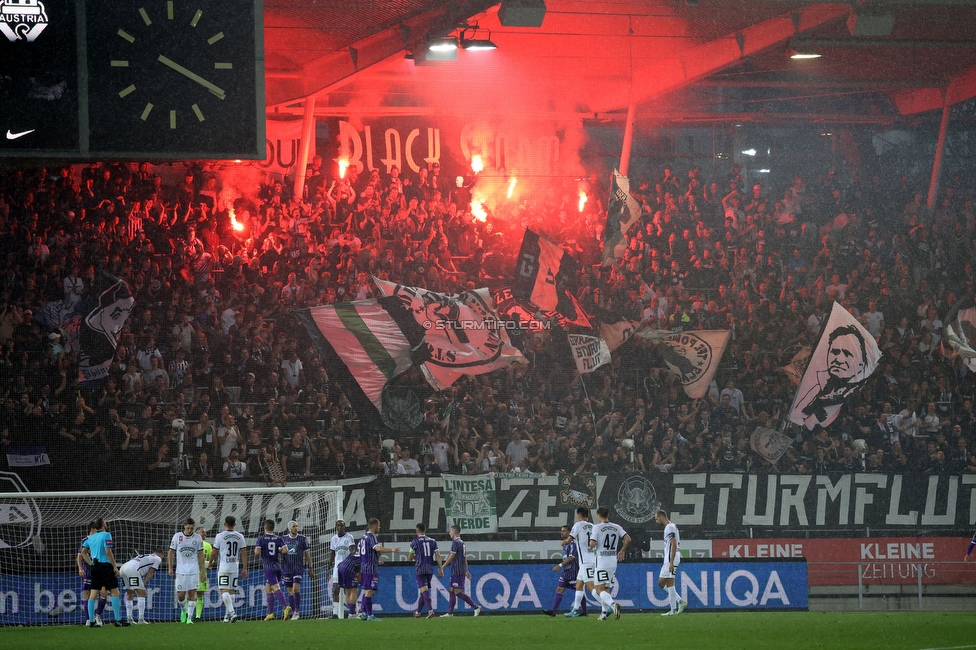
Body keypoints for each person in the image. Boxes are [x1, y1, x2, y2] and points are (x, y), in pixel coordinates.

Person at [793, 325, 870, 429]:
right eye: (835, 352)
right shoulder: (816, 381)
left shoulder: (854, 388)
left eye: (847, 354)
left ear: (860, 363)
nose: (839, 359)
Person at [80, 517, 125, 627]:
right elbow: (108, 551)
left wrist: (91, 564)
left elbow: (83, 553)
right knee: (115, 592)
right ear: (103, 525)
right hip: (105, 566)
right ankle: (118, 620)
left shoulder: (90, 538)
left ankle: (91, 621)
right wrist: (114, 566)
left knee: (93, 593)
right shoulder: (106, 535)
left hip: (95, 567)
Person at [589, 506, 631, 621]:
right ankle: (603, 614)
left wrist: (591, 542)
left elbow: (592, 544)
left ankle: (613, 605)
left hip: (602, 562)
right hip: (613, 562)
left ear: (598, 516)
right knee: (606, 588)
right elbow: (628, 539)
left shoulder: (597, 527)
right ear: (608, 515)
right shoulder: (616, 527)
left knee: (599, 589)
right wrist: (622, 550)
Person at [357, 517, 401, 621]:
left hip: (364, 567)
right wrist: (392, 550)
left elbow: (361, 553)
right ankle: (370, 615)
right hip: (370, 568)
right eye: (379, 525)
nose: (380, 527)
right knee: (370, 591)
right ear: (375, 526)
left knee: (366, 590)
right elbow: (377, 548)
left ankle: (363, 613)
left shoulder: (363, 537)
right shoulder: (371, 536)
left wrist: (375, 561)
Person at [437, 524, 481, 617]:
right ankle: (450, 613)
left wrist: (442, 567)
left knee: (457, 592)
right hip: (457, 570)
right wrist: (466, 570)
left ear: (454, 532)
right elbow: (464, 558)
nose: (449, 533)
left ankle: (476, 607)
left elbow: (452, 556)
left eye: (450, 531)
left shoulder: (456, 542)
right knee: (451, 590)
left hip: (457, 571)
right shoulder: (462, 542)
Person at [168, 517, 205, 624]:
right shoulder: (177, 536)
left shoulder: (197, 538)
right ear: (184, 526)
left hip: (193, 570)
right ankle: (184, 611)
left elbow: (201, 555)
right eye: (188, 528)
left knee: (192, 593)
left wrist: (203, 571)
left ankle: (189, 618)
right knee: (180, 595)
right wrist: (170, 567)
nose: (190, 530)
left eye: (192, 528)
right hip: (181, 570)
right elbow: (171, 552)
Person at [210, 515, 248, 623]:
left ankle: (232, 613)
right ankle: (227, 617)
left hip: (223, 567)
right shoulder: (240, 536)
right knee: (231, 592)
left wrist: (211, 563)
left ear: (224, 524)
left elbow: (214, 552)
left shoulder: (220, 536)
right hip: (234, 567)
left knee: (223, 590)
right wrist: (245, 568)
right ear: (235, 524)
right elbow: (244, 553)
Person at [254, 518, 290, 620]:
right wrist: (277, 551)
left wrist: (259, 549)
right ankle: (270, 613)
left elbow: (256, 552)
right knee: (267, 589)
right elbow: (285, 550)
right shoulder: (278, 538)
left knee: (275, 588)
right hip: (278, 567)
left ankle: (285, 607)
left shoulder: (261, 538)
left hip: (269, 568)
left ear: (265, 527)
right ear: (273, 528)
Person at [655, 508, 687, 616]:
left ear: (661, 517)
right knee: (663, 582)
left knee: (668, 582)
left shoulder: (669, 527)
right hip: (670, 558)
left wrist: (671, 561)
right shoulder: (672, 526)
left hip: (671, 558)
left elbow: (673, 544)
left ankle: (675, 608)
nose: (656, 521)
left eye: (656, 519)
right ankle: (678, 603)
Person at [564, 506, 594, 618]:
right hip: (591, 559)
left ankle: (610, 605)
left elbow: (569, 540)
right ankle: (574, 610)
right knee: (579, 584)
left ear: (579, 515)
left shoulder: (577, 525)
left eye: (577, 515)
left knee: (591, 587)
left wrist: (564, 542)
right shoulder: (593, 526)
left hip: (585, 561)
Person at [408, 522, 442, 618]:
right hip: (430, 568)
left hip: (420, 567)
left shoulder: (415, 542)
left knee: (424, 590)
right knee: (423, 591)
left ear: (417, 531)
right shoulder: (433, 541)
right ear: (425, 530)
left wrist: (417, 557)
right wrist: (441, 568)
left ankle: (430, 611)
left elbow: (410, 557)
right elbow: (438, 555)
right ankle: (418, 612)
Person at [77, 521, 108, 625]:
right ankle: (88, 619)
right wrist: (80, 568)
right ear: (92, 529)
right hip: (88, 571)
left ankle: (97, 616)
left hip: (100, 569)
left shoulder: (101, 538)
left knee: (104, 592)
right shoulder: (85, 540)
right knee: (88, 593)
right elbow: (80, 556)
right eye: (96, 528)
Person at [120, 551, 163, 624]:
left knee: (130, 594)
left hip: (122, 568)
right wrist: (143, 583)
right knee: (142, 593)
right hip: (132, 569)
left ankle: (129, 619)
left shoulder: (145, 556)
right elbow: (151, 572)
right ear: (161, 555)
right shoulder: (158, 559)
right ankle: (141, 619)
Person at [544, 525, 578, 616]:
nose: (561, 533)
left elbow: (571, 557)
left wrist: (559, 565)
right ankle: (553, 611)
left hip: (572, 570)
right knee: (559, 589)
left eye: (564, 531)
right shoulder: (566, 544)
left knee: (579, 590)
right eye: (561, 531)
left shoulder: (572, 543)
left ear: (569, 532)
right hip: (566, 571)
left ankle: (585, 612)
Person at [282, 520, 313, 620]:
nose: (296, 528)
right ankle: (292, 612)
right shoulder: (284, 539)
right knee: (290, 591)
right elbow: (279, 552)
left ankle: (296, 612)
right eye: (294, 526)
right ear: (289, 528)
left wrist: (310, 568)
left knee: (295, 589)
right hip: (287, 569)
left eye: (297, 526)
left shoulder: (302, 539)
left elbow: (307, 554)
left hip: (298, 568)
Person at [329, 518, 355, 618]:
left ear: (345, 527)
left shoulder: (349, 537)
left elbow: (352, 551)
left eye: (342, 525)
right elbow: (332, 553)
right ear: (336, 527)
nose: (340, 527)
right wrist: (328, 568)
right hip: (336, 568)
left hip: (347, 566)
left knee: (349, 590)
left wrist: (345, 562)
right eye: (338, 525)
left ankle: (352, 612)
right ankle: (335, 613)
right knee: (336, 589)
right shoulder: (333, 538)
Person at [335, 551, 362, 619]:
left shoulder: (356, 556)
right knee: (354, 590)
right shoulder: (366, 559)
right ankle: (352, 613)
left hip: (340, 568)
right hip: (348, 569)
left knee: (348, 591)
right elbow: (361, 574)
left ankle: (351, 612)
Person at [194, 526, 213, 621]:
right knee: (189, 594)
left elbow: (211, 561)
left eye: (205, 532)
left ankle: (197, 616)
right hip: (191, 572)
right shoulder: (191, 544)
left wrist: (208, 564)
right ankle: (185, 614)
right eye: (203, 532)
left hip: (202, 573)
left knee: (200, 594)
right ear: (197, 534)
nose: (205, 534)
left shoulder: (208, 546)